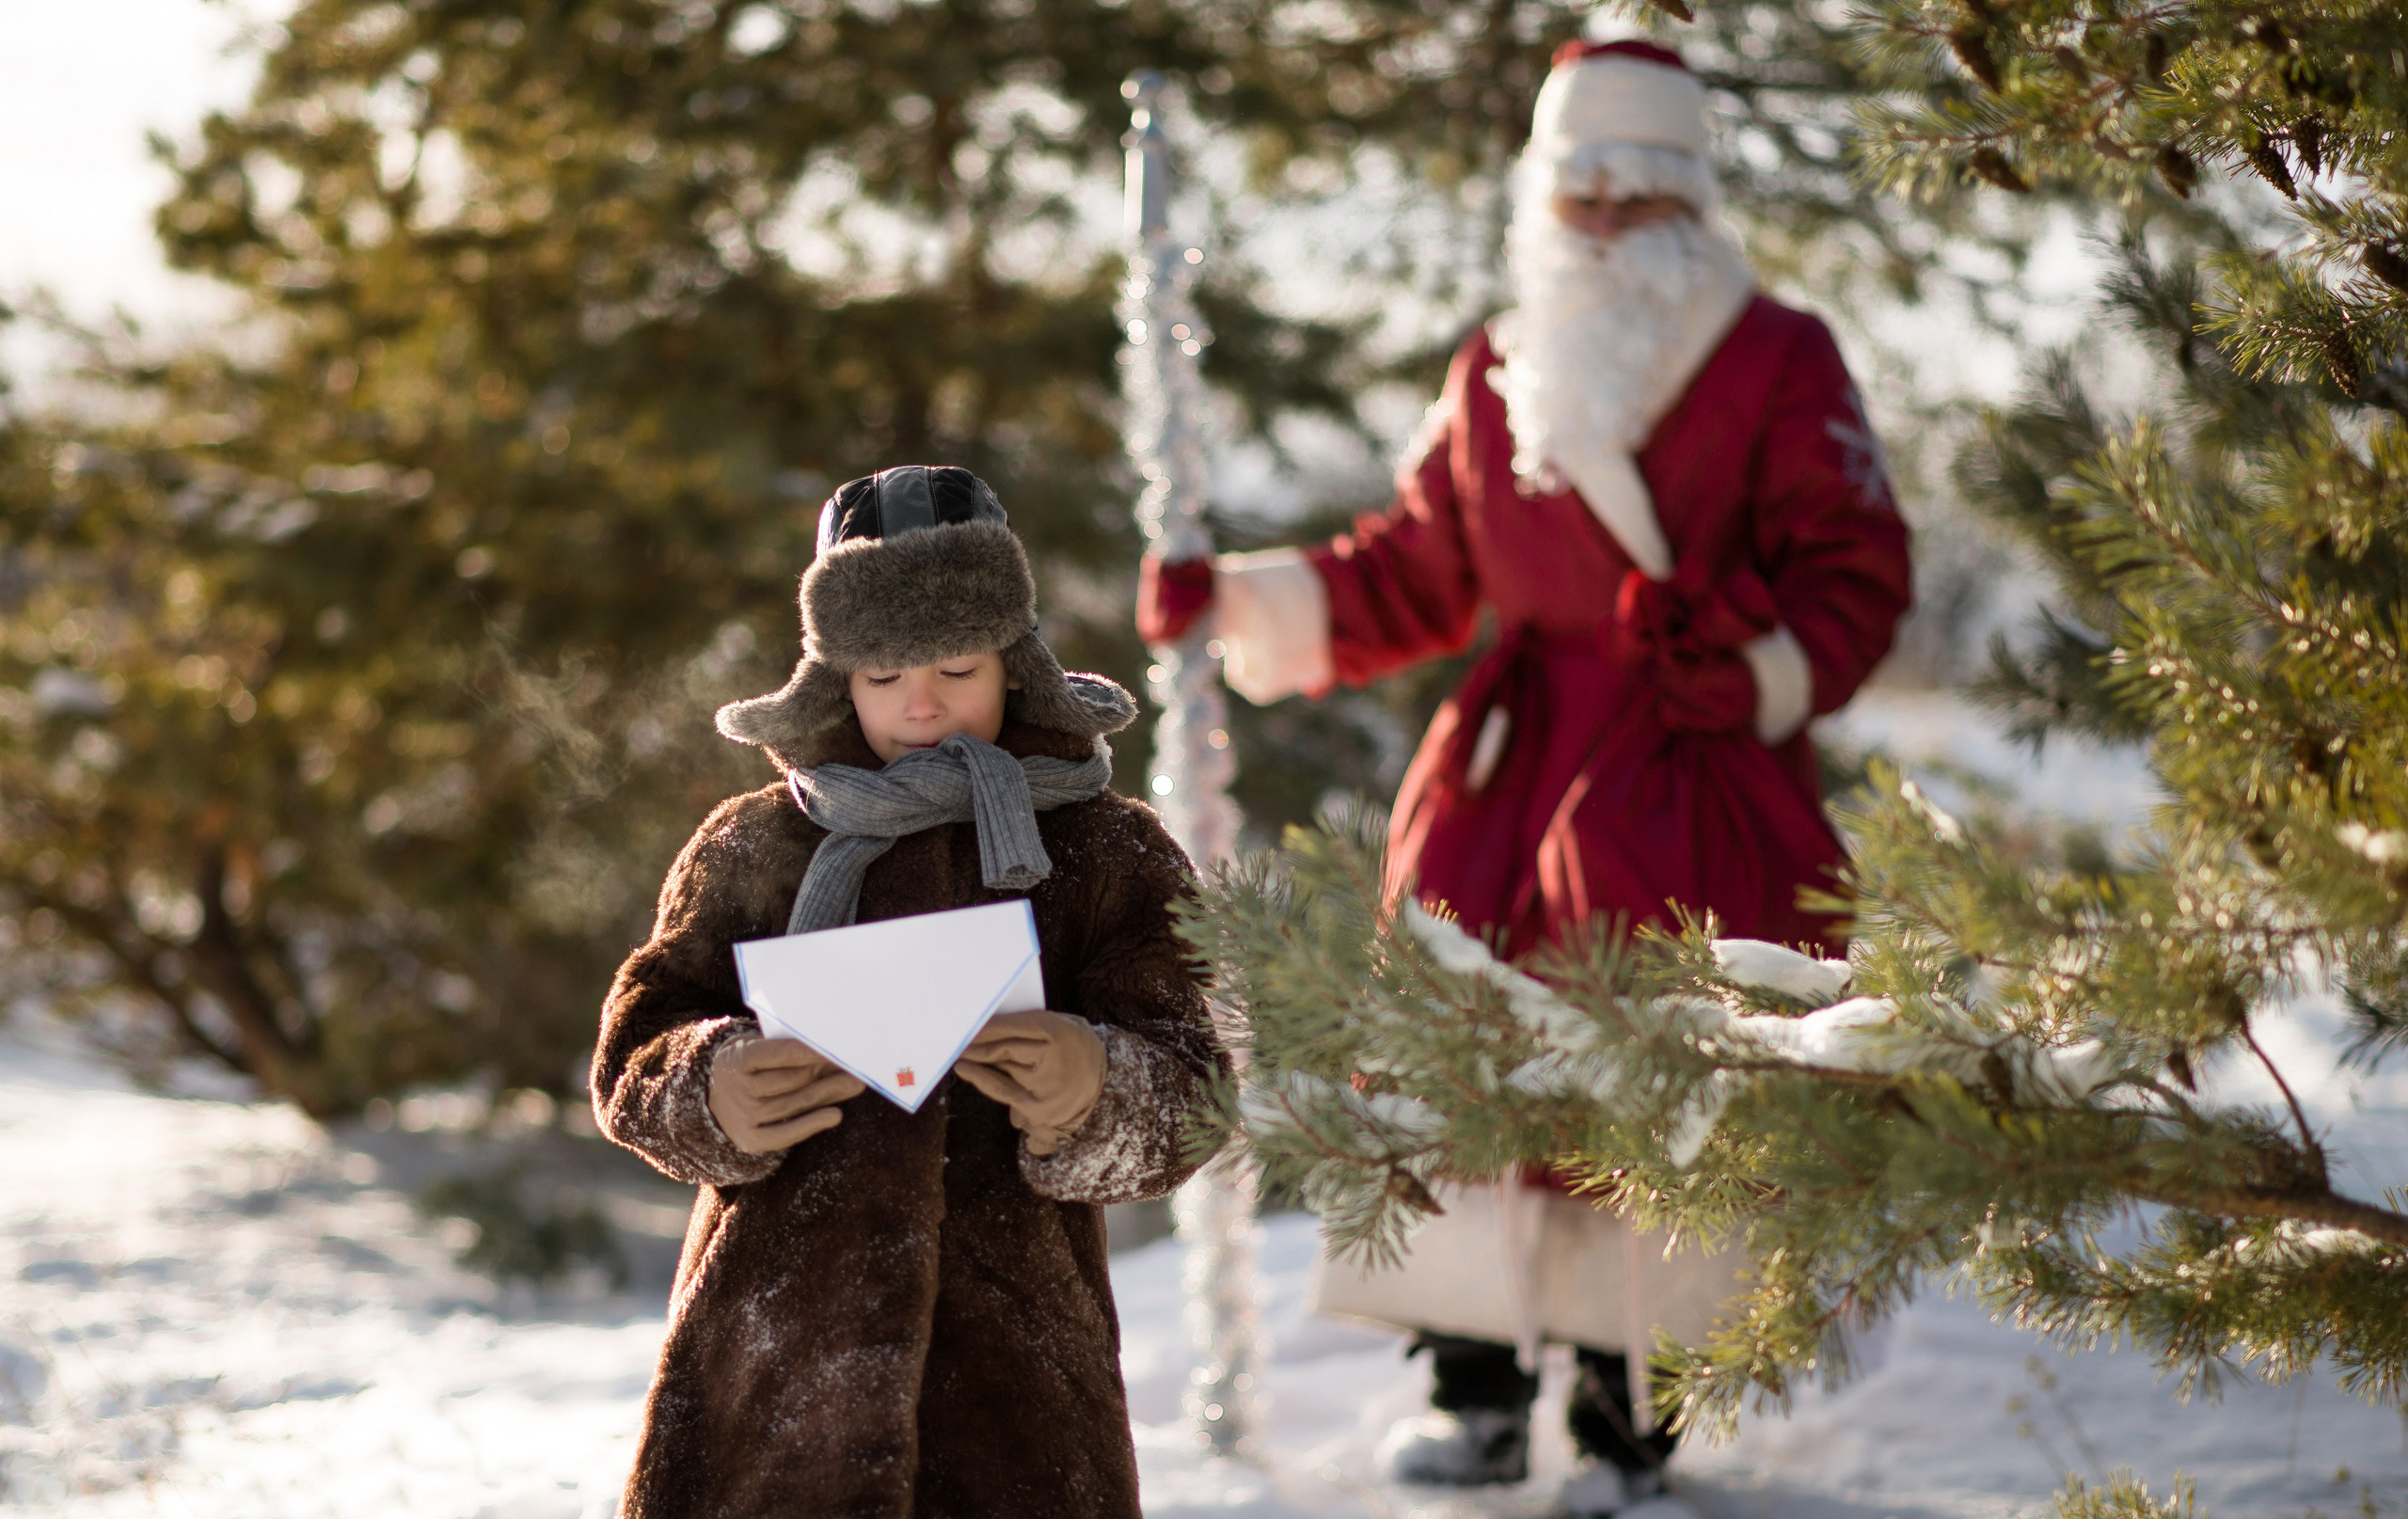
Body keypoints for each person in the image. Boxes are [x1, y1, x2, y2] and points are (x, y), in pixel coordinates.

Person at [1138, 39, 1913, 1519]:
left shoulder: (1780, 358)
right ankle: (1472, 1387)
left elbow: (1857, 571)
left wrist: (1753, 671)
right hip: (1507, 773)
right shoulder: (1493, 365)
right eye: (1583, 191)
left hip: (1693, 769)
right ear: (1543, 199)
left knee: (1663, 1075)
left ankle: (1638, 1415)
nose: (1610, 218)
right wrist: (1243, 600)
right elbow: (1417, 569)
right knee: (1469, 1057)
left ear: (1694, 196)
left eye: (1643, 188)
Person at [594, 465, 1228, 1518]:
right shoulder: (756, 843)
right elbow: (635, 1047)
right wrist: (708, 1086)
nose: (921, 702)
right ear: (833, 675)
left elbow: (1192, 1081)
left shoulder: (1104, 849)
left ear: (1016, 664)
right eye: (883, 674)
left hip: (1019, 1391)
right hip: (768, 1367)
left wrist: (1096, 1082)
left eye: (954, 664)